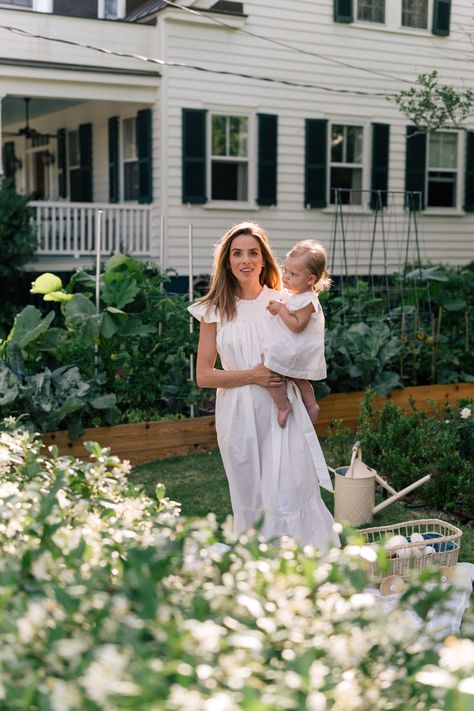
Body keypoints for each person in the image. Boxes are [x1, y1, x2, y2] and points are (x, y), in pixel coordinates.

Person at [188, 221, 339, 549]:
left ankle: (304, 563)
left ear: (264, 259)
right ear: (227, 260)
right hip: (238, 414)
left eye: (253, 253)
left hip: (281, 411)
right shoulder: (213, 309)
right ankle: (260, 569)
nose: (245, 260)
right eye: (237, 253)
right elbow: (204, 375)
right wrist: (253, 376)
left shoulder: (283, 301)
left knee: (292, 488)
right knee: (251, 496)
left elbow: (304, 345)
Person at [263, 239, 331, 428]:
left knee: (269, 373)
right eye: (285, 270)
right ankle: (311, 405)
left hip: (295, 349)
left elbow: (298, 325)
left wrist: (282, 310)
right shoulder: (293, 293)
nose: (286, 277)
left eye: (293, 274)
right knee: (300, 379)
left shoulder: (307, 300)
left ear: (310, 279)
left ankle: (283, 405)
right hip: (295, 348)